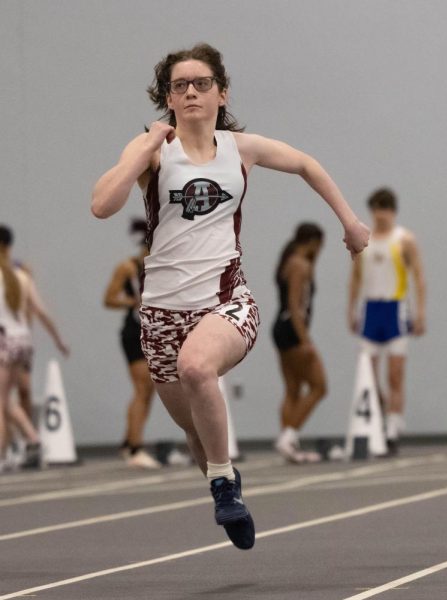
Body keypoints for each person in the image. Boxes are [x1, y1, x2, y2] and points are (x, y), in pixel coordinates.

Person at [91, 43, 369, 549]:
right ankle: (223, 477)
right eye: (180, 86)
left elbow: (306, 164)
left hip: (226, 301)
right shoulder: (155, 151)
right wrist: (144, 145)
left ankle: (222, 485)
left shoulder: (242, 149)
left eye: (201, 83)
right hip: (160, 313)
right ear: (168, 98)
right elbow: (102, 205)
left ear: (222, 92)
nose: (191, 92)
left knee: (198, 368)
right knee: (195, 429)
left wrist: (349, 221)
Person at [348, 188, 425, 455]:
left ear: (391, 210)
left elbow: (418, 277)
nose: (379, 215)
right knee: (369, 374)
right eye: (375, 210)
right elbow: (356, 276)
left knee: (395, 374)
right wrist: (351, 309)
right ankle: (378, 423)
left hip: (396, 310)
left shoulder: (404, 239)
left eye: (383, 210)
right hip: (371, 310)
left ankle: (394, 428)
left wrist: (420, 312)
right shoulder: (364, 239)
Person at [0, 225, 69, 471]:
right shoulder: (22, 275)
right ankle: (29, 440)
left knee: (1, 400)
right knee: (6, 399)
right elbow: (40, 311)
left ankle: (8, 451)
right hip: (22, 341)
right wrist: (58, 340)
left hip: (4, 341)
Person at [103, 218, 160, 469]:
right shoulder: (128, 267)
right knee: (142, 387)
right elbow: (108, 298)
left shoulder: (163, 265)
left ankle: (128, 442)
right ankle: (136, 447)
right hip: (134, 331)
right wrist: (132, 303)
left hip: (156, 331)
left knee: (151, 390)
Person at [272, 223, 327, 464]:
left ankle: (289, 444)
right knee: (319, 386)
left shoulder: (291, 261)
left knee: (293, 389)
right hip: (291, 330)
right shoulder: (300, 265)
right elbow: (296, 305)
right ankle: (289, 436)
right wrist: (305, 340)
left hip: (283, 328)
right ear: (313, 242)